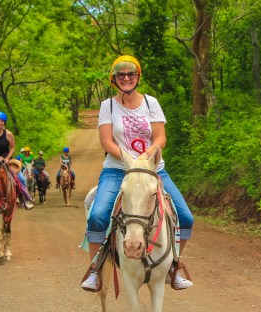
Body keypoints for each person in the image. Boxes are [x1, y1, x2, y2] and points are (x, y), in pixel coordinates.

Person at [80, 55, 194, 291]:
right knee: (98, 214)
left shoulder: (151, 103)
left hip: (152, 170)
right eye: (121, 75)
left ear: (138, 77)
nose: (126, 78)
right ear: (114, 79)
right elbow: (106, 142)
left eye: (131, 74)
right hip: (117, 169)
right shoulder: (107, 106)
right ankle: (95, 269)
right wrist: (128, 158)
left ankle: (173, 265)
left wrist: (149, 154)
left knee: (186, 217)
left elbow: (161, 137)